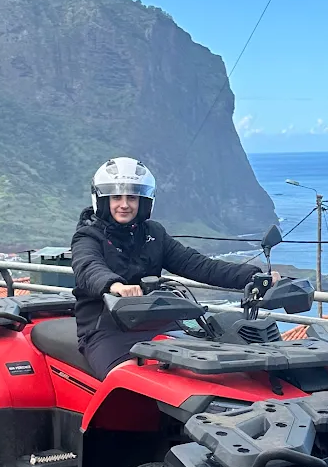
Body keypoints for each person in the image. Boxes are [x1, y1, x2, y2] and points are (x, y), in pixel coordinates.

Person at [71, 157, 265, 377]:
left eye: (132, 198)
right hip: (105, 330)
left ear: (143, 202)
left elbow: (198, 265)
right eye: (116, 197)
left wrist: (253, 277)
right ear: (103, 200)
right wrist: (114, 285)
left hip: (157, 324)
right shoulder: (87, 236)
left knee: (204, 373)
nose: (124, 204)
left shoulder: (154, 234)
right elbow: (87, 266)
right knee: (129, 382)